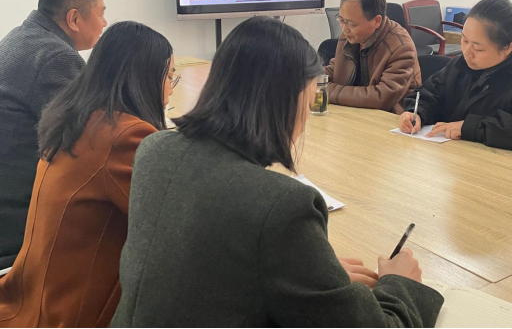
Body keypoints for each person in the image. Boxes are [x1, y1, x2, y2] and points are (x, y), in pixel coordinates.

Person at [111, 17, 444, 328]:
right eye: (309, 101)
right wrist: (400, 282)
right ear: (287, 101)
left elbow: (208, 263)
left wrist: (312, 271)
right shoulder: (283, 206)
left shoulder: (154, 151)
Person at [0, 22, 175, 328]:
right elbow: (171, 220)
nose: (171, 88)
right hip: (72, 315)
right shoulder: (124, 135)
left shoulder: (74, 117)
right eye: (170, 77)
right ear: (147, 78)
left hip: (28, 298)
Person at [0, 0, 107, 265]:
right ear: (74, 19)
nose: (104, 23)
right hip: (19, 217)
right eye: (101, 13)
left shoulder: (21, 36)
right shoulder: (56, 57)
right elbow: (88, 141)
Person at [399, 0, 512, 156]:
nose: (467, 52)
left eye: (478, 49)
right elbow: (430, 93)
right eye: (464, 40)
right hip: (456, 157)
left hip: (506, 166)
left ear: (508, 47)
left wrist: (469, 128)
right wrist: (416, 113)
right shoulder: (462, 64)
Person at [325, 0, 422, 113]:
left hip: (390, 117)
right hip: (354, 110)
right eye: (341, 20)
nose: (344, 29)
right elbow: (337, 68)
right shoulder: (351, 36)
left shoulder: (401, 47)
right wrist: (310, 77)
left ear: (376, 21)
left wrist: (327, 90)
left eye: (351, 24)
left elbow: (381, 98)